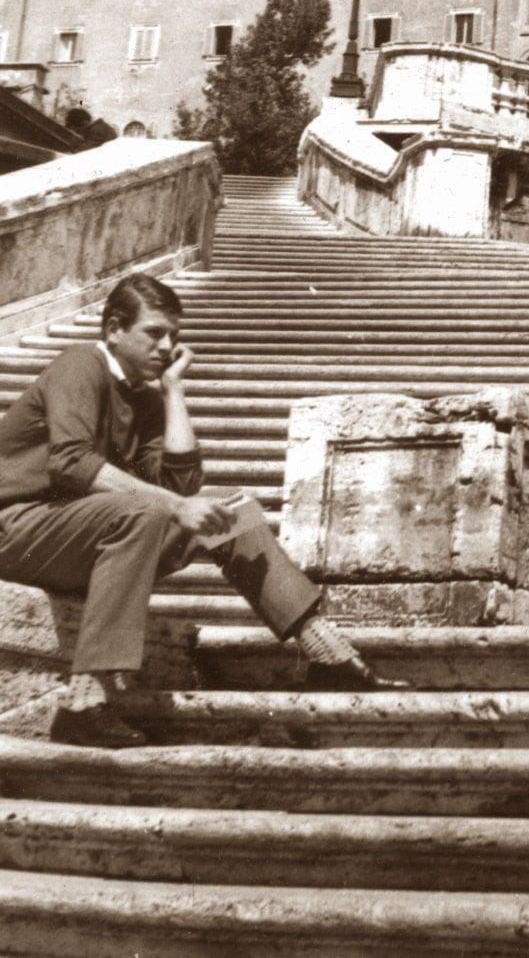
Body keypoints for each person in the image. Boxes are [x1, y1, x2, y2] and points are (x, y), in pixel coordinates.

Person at [0, 272, 397, 751]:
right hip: (17, 526)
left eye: (175, 336)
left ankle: (327, 653)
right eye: (154, 333)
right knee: (141, 513)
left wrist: (173, 392)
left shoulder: (143, 395)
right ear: (112, 330)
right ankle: (83, 701)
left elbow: (179, 485)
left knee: (230, 511)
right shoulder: (80, 364)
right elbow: (71, 463)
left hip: (75, 536)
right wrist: (174, 505)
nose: (167, 346)